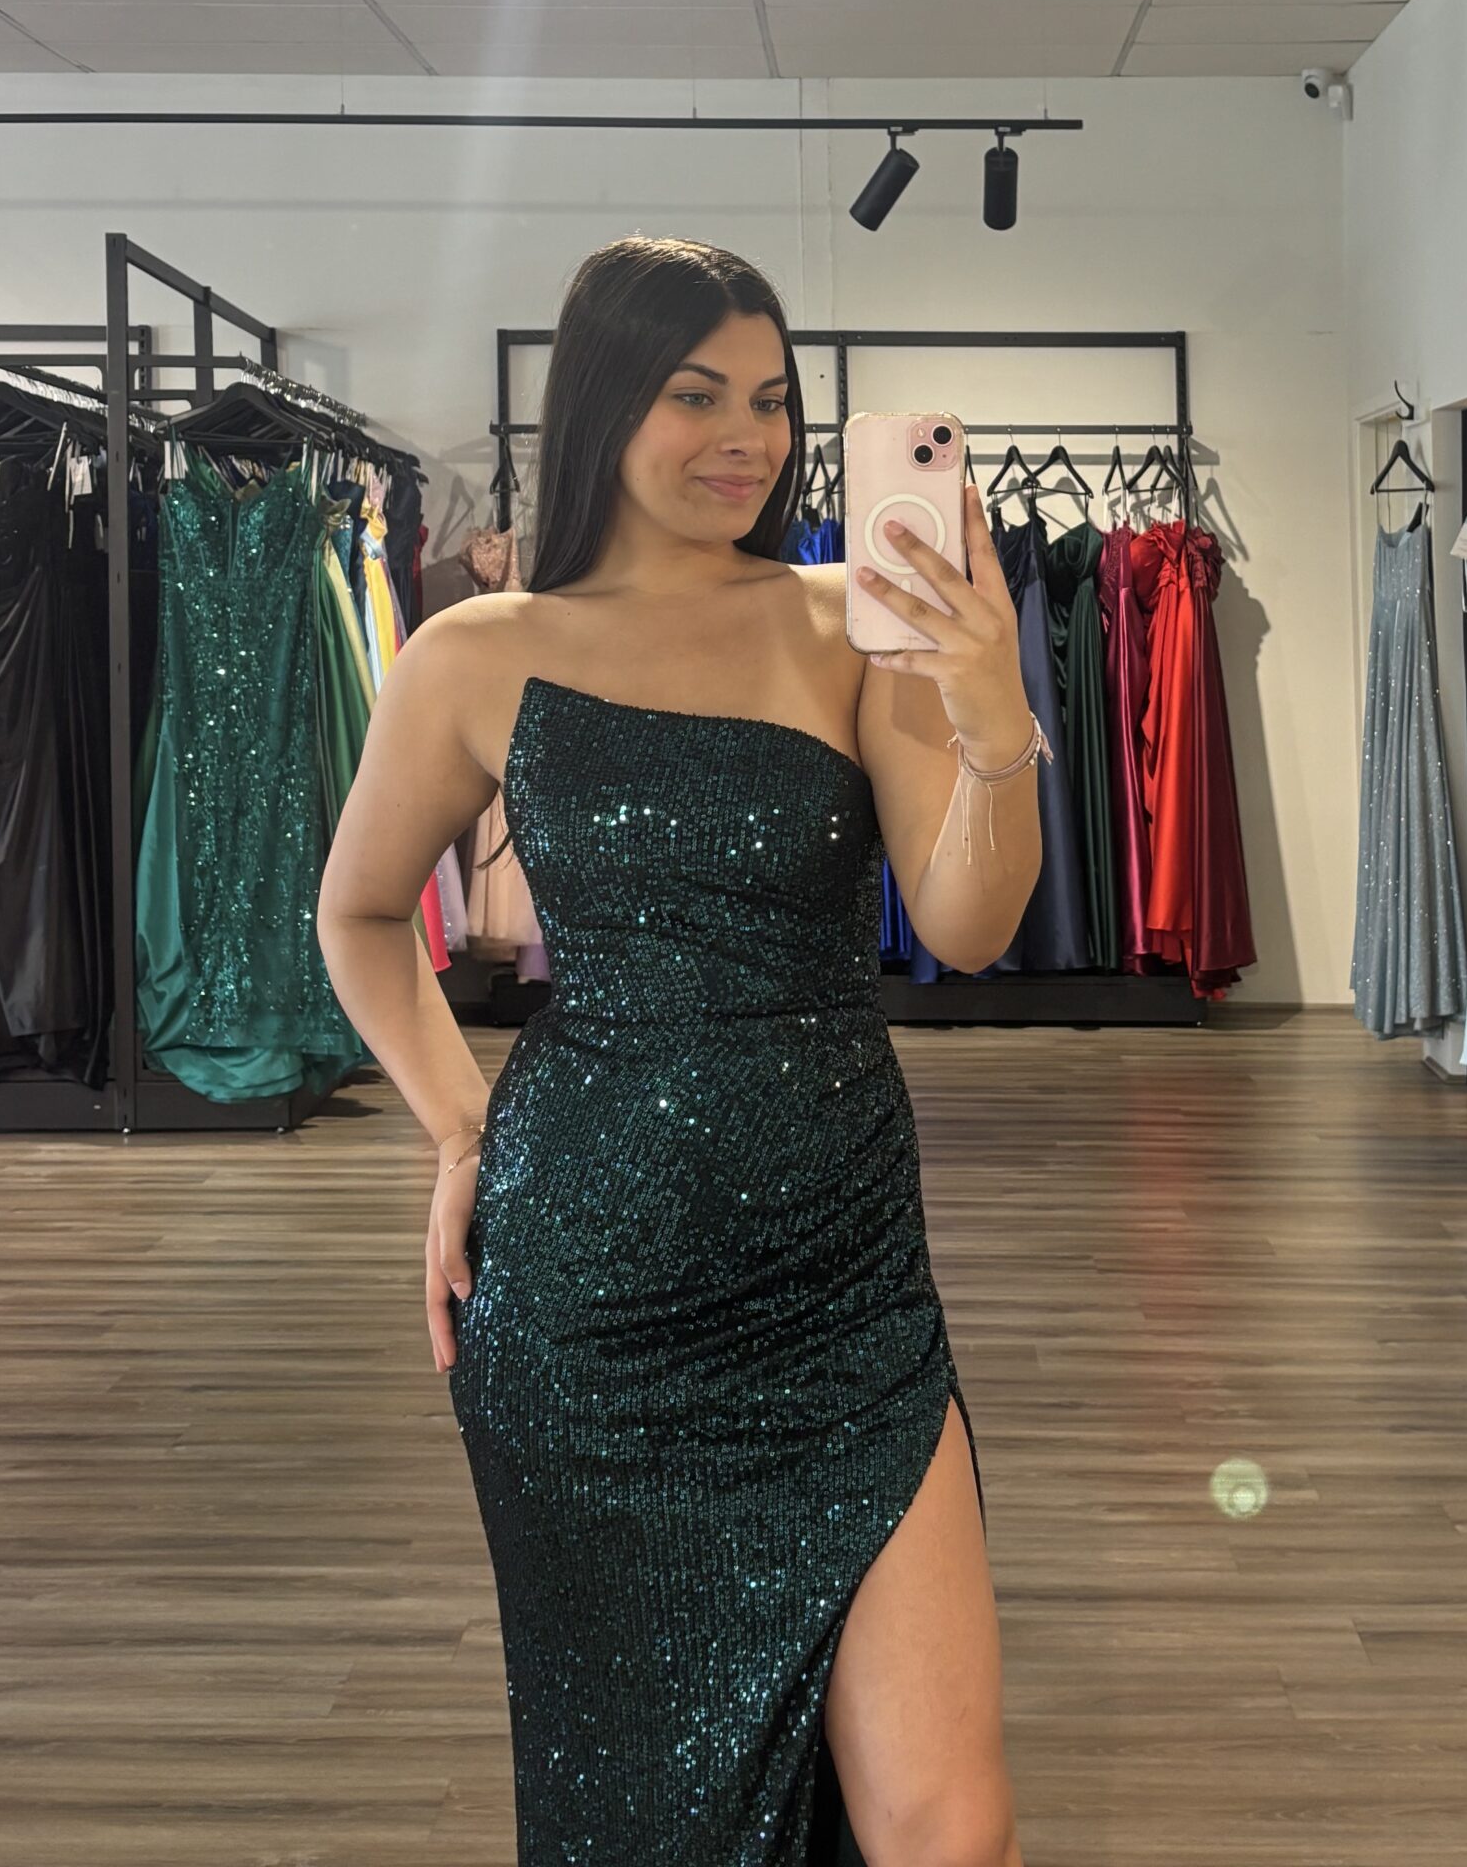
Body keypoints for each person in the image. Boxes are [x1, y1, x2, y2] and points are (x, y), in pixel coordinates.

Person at [317, 236, 1043, 1867]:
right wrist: (459, 1129)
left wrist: (992, 705)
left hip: (843, 1283)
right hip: (585, 1309)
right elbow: (357, 914)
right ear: (603, 403)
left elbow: (969, 922)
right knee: (646, 1812)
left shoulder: (852, 621)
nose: (748, 437)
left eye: (774, 401)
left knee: (953, 1823)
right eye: (697, 394)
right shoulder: (475, 653)